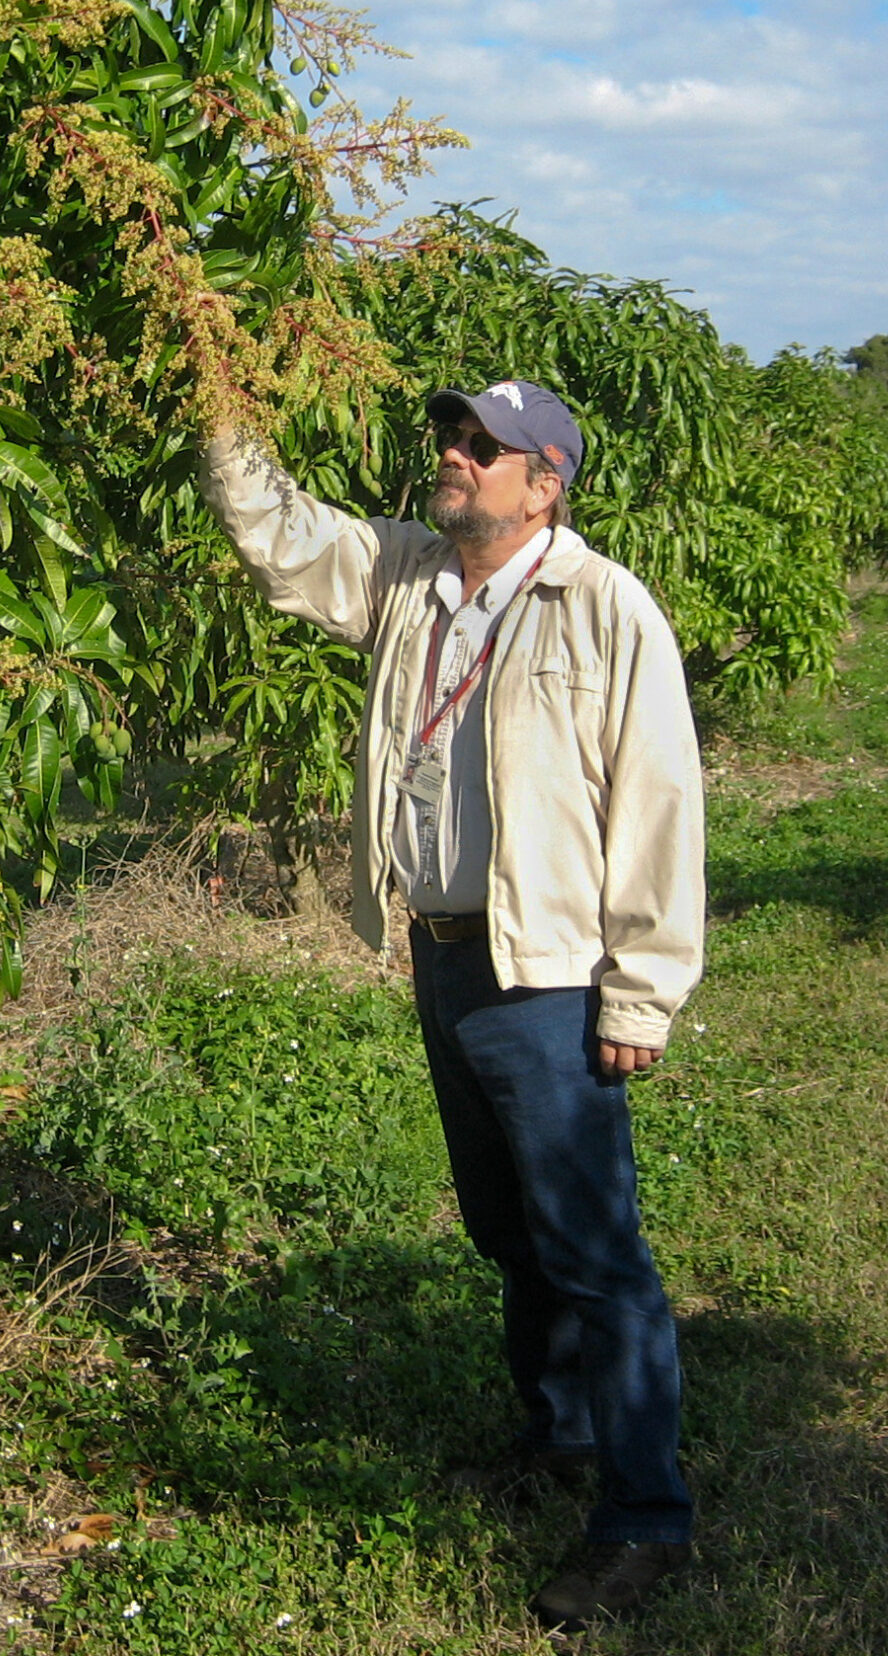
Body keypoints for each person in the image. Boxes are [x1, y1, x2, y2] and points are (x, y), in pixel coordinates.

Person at [200, 379, 706, 1630]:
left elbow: (658, 806)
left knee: (595, 1252)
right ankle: (561, 1436)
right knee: (506, 1229)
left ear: (546, 482)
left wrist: (639, 992)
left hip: (547, 973)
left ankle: (643, 1521)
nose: (454, 456)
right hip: (443, 955)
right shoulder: (408, 576)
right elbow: (282, 536)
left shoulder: (600, 607)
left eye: (485, 446)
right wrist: (216, 400)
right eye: (452, 438)